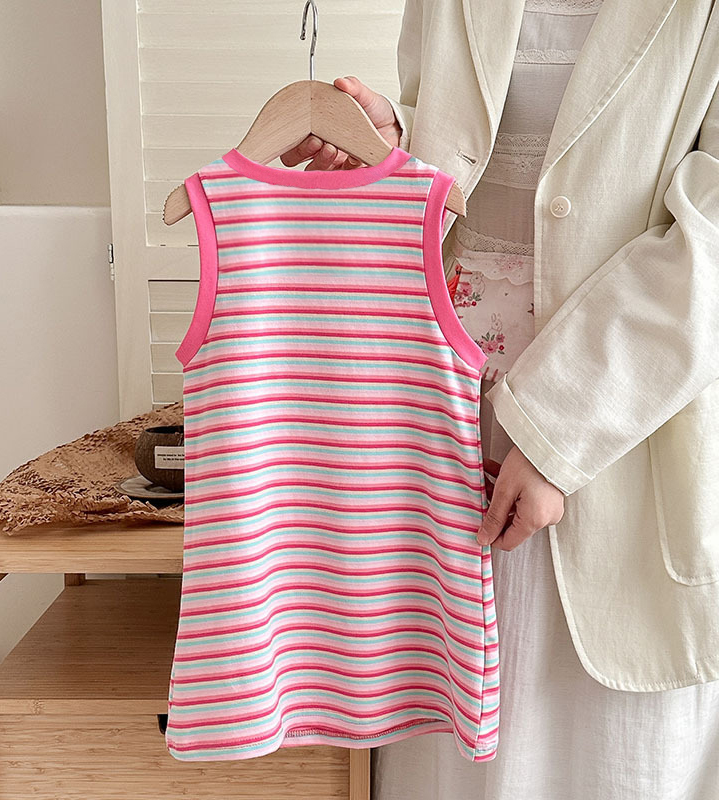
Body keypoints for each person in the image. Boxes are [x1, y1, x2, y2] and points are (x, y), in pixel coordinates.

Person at [279, 1, 719, 797]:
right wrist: (392, 145)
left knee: (612, 760)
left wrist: (552, 437)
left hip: (619, 429)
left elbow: (710, 243)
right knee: (446, 746)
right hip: (445, 425)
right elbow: (462, 154)